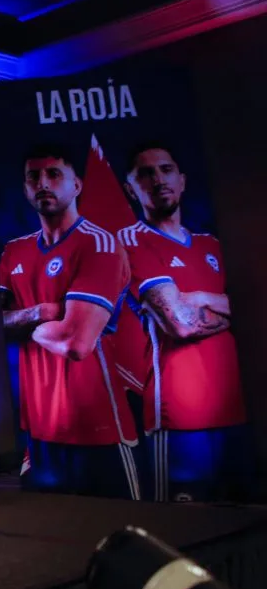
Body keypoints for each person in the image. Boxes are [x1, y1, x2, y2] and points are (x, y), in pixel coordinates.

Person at [0, 143, 141, 500]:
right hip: (40, 430)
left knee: (119, 534)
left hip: (98, 430)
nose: (43, 183)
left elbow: (74, 343)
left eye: (54, 174)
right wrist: (42, 312)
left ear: (77, 185)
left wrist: (20, 322)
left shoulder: (99, 245)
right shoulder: (15, 251)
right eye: (34, 176)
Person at [117, 142, 250, 503]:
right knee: (184, 529)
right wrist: (234, 309)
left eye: (166, 169)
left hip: (238, 409)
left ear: (182, 179)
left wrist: (203, 298)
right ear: (131, 188)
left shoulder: (214, 245)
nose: (158, 179)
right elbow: (181, 324)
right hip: (179, 416)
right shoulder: (131, 242)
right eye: (145, 173)